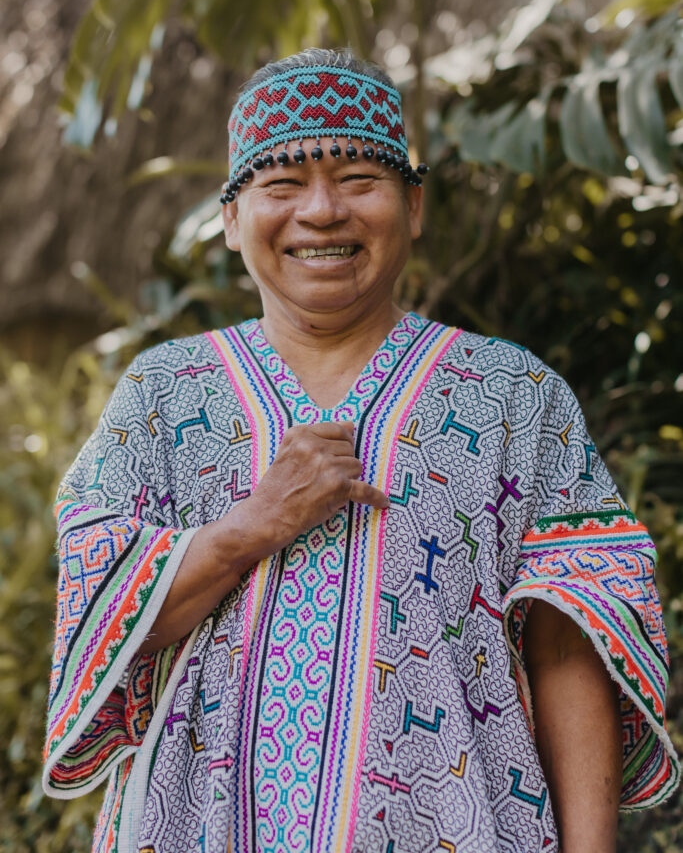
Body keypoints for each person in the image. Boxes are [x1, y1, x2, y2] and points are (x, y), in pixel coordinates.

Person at [44, 49, 679, 853]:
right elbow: (105, 621)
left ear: (411, 206)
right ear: (232, 219)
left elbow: (568, 644)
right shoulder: (161, 395)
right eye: (281, 184)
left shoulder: (515, 396)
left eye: (356, 178)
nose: (321, 211)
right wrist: (253, 526)